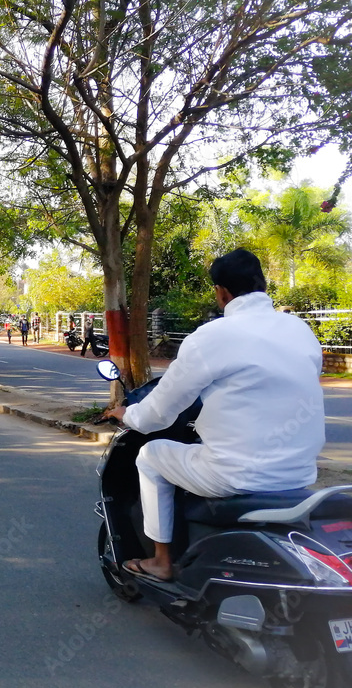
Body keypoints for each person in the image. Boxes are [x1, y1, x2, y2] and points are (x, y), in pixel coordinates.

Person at [103, 249, 325, 582]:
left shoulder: (211, 337)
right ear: (262, 283)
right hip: (298, 474)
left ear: (221, 292)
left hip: (237, 474)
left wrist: (127, 414)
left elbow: (158, 413)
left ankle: (161, 561)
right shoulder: (300, 330)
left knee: (150, 455)